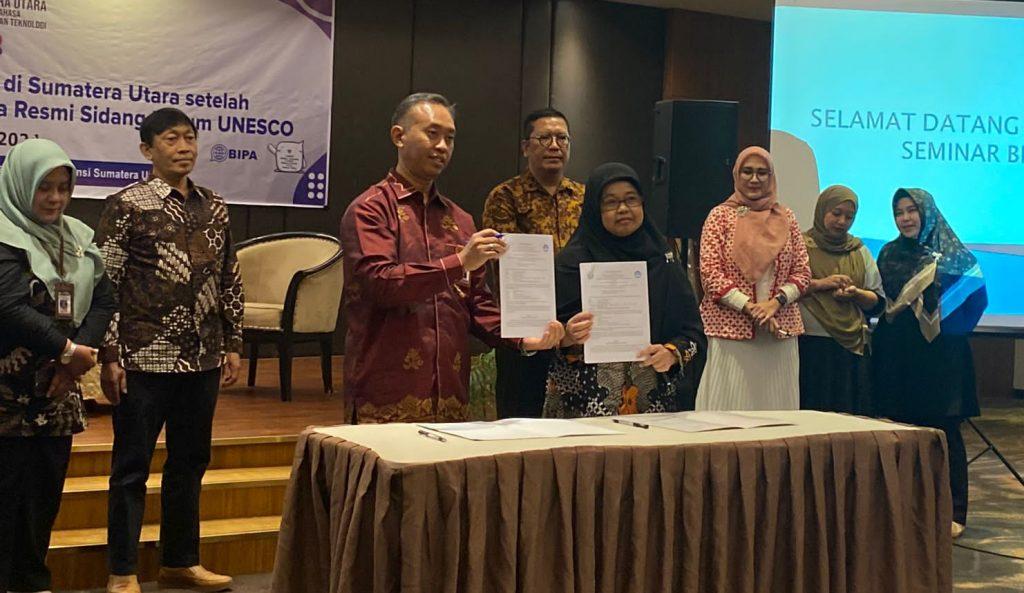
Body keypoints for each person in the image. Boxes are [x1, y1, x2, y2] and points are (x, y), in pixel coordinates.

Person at [340, 93, 562, 424]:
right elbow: (381, 283)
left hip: (451, 398)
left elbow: (477, 305)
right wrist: (459, 262)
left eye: (450, 137)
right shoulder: (370, 209)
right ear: (399, 136)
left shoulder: (460, 220)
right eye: (432, 133)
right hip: (386, 396)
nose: (443, 145)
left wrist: (522, 338)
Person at [96, 108, 244, 593]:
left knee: (189, 463)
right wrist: (110, 354)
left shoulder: (215, 206)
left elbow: (229, 276)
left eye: (190, 137)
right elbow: (106, 285)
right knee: (131, 468)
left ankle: (180, 561)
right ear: (147, 150)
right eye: (171, 139)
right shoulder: (127, 205)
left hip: (201, 356)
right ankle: (122, 571)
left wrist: (234, 342)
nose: (184, 146)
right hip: (143, 358)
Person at [0, 139, 114, 593]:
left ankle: (33, 579)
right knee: (5, 496)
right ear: (20, 184)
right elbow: (8, 305)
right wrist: (68, 351)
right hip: (8, 397)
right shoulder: (4, 233)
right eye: (44, 187)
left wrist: (74, 361)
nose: (54, 198)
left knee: (44, 496)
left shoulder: (76, 236)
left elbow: (104, 300)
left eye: (63, 187)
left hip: (57, 395)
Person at [544, 162, 704, 418]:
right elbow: (538, 338)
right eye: (610, 202)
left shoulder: (662, 260)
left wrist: (672, 353)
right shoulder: (571, 263)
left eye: (631, 199)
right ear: (595, 210)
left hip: (651, 404)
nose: (623, 209)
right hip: (582, 404)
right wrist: (567, 336)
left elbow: (694, 334)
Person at [873, 188, 987, 539]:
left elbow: (976, 301)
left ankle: (954, 512)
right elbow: (886, 305)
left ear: (927, 212)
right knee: (901, 435)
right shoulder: (889, 253)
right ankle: (904, 510)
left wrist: (943, 330)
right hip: (899, 358)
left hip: (943, 361)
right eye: (899, 212)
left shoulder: (954, 254)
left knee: (946, 435)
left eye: (912, 210)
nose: (905, 218)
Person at [482, 107, 585, 418]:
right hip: (524, 324)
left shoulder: (584, 197)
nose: (554, 145)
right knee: (519, 416)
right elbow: (506, 265)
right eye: (544, 138)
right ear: (526, 146)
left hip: (575, 326)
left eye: (562, 138)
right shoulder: (505, 196)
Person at [695, 146, 810, 411]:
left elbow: (803, 272)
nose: (754, 179)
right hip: (731, 330)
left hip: (779, 330)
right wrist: (750, 307)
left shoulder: (787, 217)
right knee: (730, 410)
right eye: (747, 171)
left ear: (771, 177)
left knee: (778, 413)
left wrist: (775, 304)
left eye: (762, 172)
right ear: (736, 174)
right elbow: (711, 275)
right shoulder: (719, 216)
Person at [797, 185, 883, 415]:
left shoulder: (858, 250)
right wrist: (823, 283)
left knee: (846, 415)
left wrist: (855, 294)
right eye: (836, 213)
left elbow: (876, 299)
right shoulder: (800, 246)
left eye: (849, 217)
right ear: (822, 210)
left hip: (850, 347)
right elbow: (785, 289)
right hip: (808, 344)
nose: (842, 221)